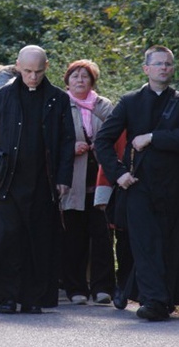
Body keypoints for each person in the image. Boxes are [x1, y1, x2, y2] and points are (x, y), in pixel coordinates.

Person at [94, 45, 179, 321]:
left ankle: (166, 300)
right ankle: (153, 301)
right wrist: (118, 174)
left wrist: (151, 137)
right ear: (146, 69)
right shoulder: (130, 101)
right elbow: (103, 140)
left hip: (176, 186)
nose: (164, 68)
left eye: (168, 64)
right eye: (159, 64)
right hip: (139, 185)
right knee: (146, 243)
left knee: (173, 242)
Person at [0, 45, 75, 314]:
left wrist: (65, 177)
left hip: (44, 179)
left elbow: (68, 142)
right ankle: (7, 296)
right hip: (8, 178)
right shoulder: (2, 97)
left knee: (40, 239)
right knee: (9, 238)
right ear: (18, 66)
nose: (33, 77)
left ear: (47, 68)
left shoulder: (58, 99)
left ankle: (34, 297)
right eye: (28, 71)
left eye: (38, 71)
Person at [60, 60, 116, 305]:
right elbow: (52, 141)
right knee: (74, 237)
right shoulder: (60, 105)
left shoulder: (105, 106)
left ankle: (103, 287)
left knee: (102, 235)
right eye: (75, 76)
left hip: (101, 179)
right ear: (67, 81)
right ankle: (76, 288)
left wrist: (100, 147)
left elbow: (116, 134)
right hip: (73, 182)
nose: (80, 80)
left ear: (93, 81)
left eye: (85, 77)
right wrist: (71, 148)